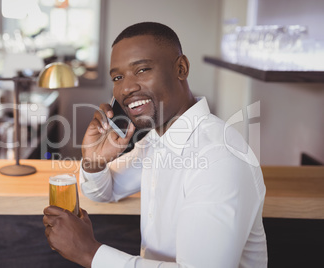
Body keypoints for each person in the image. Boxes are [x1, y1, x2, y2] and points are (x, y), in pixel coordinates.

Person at [43, 22, 267, 268]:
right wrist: (94, 161)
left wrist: (90, 254)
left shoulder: (219, 158)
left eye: (142, 70)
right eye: (118, 77)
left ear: (181, 68)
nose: (126, 88)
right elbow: (104, 192)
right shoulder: (157, 140)